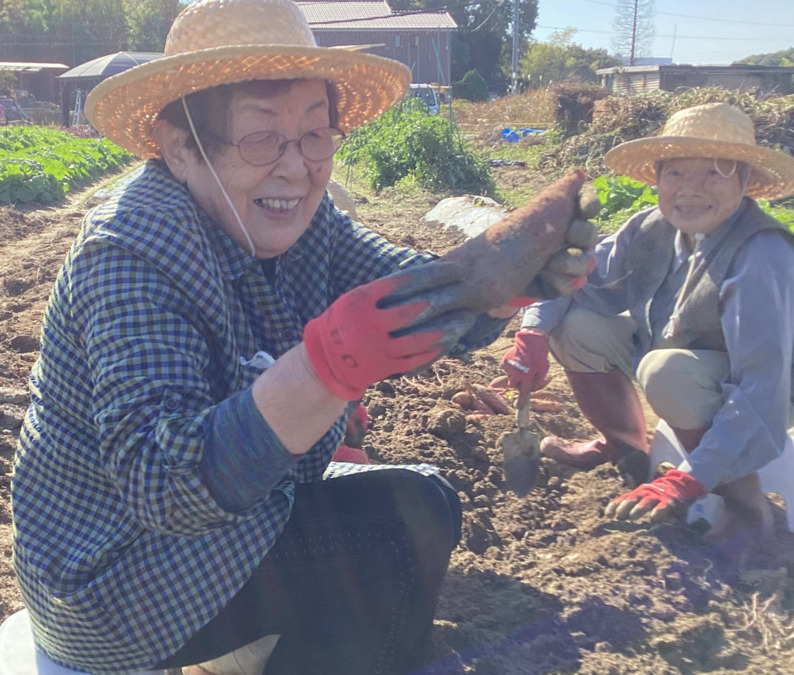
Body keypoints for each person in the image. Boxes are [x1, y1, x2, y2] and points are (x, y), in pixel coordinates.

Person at [10, 0, 593, 672]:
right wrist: (326, 369)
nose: (297, 167)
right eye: (262, 138)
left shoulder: (303, 222)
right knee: (387, 540)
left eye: (316, 134)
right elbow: (163, 483)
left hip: (225, 524)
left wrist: (495, 281)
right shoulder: (131, 252)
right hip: (112, 581)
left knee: (423, 501)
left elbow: (412, 295)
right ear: (179, 145)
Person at [502, 102, 794, 547]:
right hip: (682, 363)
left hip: (766, 393)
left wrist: (688, 481)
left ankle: (749, 511)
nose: (691, 189)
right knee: (577, 325)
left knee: (666, 371)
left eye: (714, 172)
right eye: (676, 172)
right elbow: (580, 276)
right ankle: (625, 448)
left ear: (745, 180)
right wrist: (534, 332)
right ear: (656, 178)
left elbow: (762, 389)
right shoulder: (651, 229)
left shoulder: (760, 257)